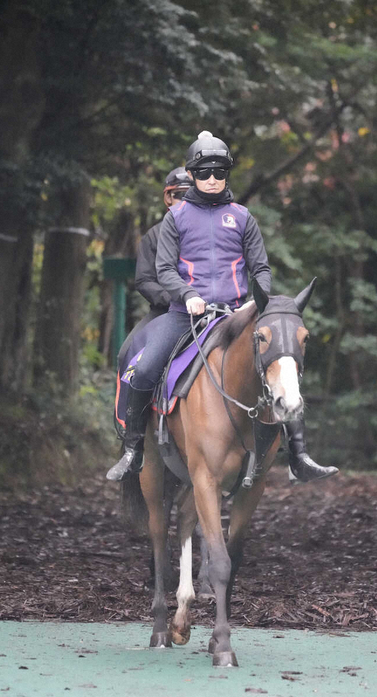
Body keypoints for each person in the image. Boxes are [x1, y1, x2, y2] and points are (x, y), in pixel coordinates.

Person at [107, 131, 338, 483]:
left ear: (227, 174)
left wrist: (256, 300)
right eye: (203, 173)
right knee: (147, 365)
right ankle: (133, 449)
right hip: (186, 314)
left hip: (234, 313)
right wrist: (186, 295)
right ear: (194, 175)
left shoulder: (243, 217)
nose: (212, 179)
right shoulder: (176, 217)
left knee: (283, 360)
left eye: (218, 173)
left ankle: (299, 456)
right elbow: (165, 269)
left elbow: (260, 267)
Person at [117, 167, 193, 368]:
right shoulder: (153, 236)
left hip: (210, 309)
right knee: (126, 353)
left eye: (192, 196)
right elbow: (144, 280)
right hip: (166, 311)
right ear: (168, 197)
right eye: (180, 196)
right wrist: (176, 300)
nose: (186, 202)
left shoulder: (214, 232)